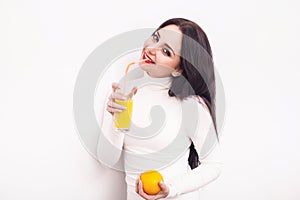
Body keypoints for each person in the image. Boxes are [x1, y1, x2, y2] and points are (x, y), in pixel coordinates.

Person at [97, 18, 222, 200]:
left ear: (178, 70)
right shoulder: (125, 93)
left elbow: (214, 165)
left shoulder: (191, 105)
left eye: (166, 51)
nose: (151, 49)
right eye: (155, 38)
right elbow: (106, 160)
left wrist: (171, 189)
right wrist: (118, 117)